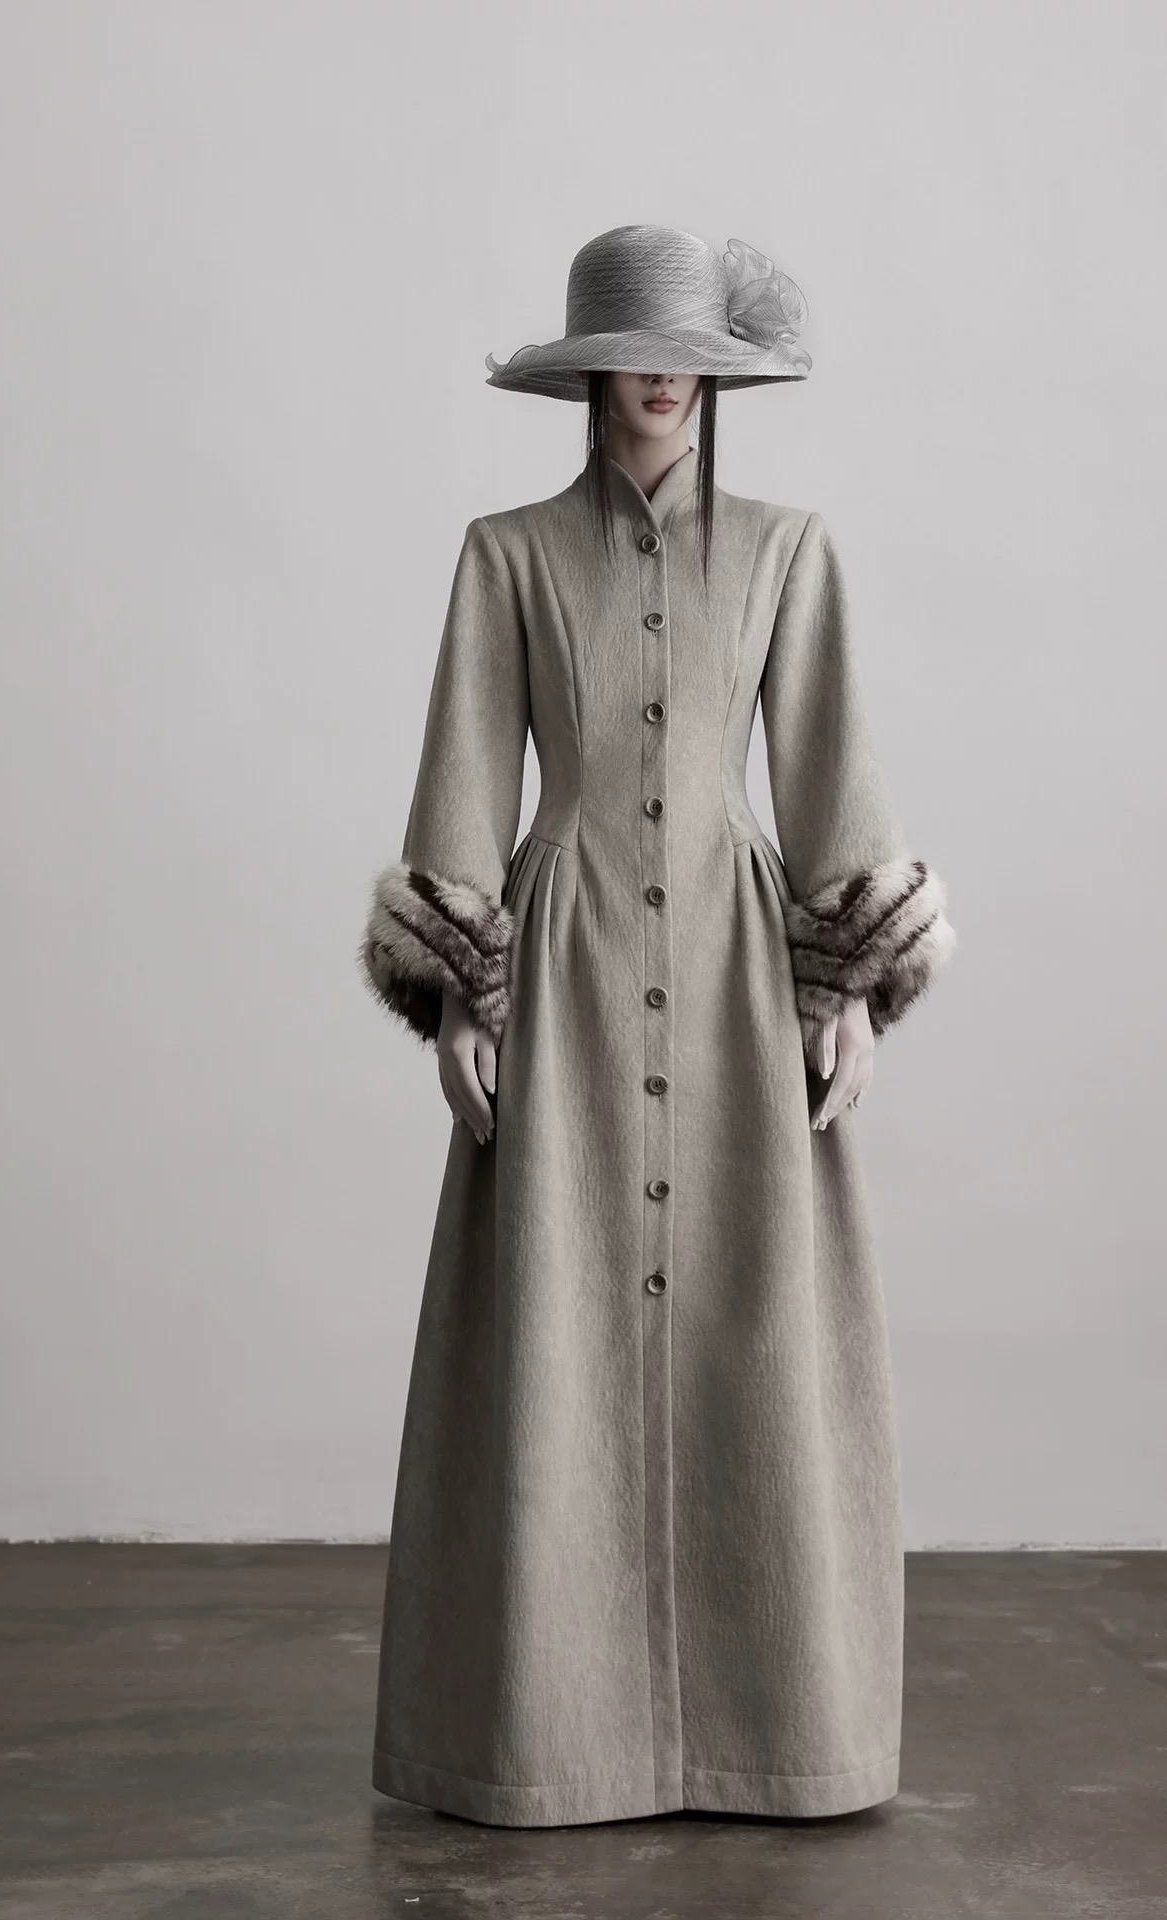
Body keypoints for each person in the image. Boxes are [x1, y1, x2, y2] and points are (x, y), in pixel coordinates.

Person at [358, 224, 956, 1828]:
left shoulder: (786, 550)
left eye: (692, 356)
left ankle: (774, 1733)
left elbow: (827, 769)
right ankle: (555, 1740)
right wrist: (459, 991)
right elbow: (466, 780)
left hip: (739, 975)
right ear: (593, 369)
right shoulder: (506, 556)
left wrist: (849, 984)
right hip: (561, 972)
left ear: (720, 375)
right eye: (639, 352)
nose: (666, 379)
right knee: (554, 1343)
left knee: (755, 1340)